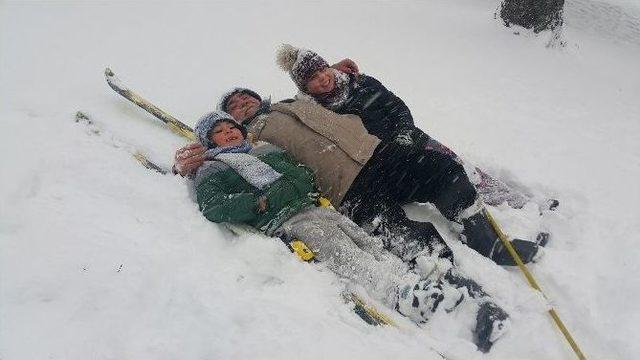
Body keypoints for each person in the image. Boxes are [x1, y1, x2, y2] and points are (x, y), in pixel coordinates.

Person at [192, 110, 510, 352]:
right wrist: (260, 202)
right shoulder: (212, 169)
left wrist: (288, 186)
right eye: (219, 132)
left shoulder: (266, 152)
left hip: (315, 207)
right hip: (285, 222)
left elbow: (301, 175)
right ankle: (397, 292)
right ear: (209, 142)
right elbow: (216, 206)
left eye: (230, 127)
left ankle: (413, 282)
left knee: (367, 243)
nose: (228, 133)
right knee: (339, 249)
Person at [174, 76, 538, 266]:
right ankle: (447, 282)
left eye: (245, 98)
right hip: (344, 186)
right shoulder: (246, 142)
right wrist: (193, 161)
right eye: (233, 107)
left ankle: (484, 237)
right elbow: (224, 163)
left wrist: (341, 71)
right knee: (398, 230)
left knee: (441, 169)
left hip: (378, 154)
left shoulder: (295, 101)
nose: (242, 105)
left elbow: (328, 84)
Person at [274, 44, 543, 265]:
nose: (322, 79)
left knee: (456, 165)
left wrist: (405, 133)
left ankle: (516, 203)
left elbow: (396, 106)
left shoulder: (360, 83)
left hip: (407, 138)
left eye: (322, 70)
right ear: (305, 88)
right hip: (377, 159)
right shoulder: (313, 112)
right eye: (312, 79)